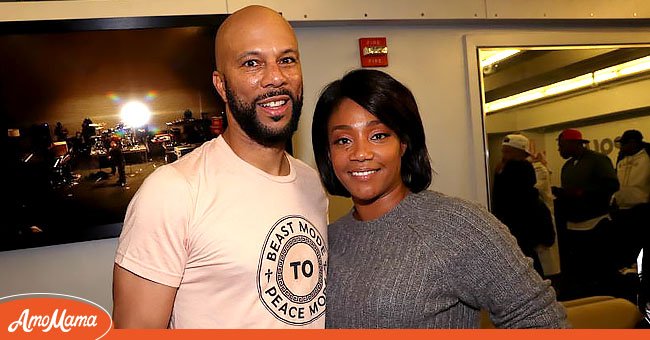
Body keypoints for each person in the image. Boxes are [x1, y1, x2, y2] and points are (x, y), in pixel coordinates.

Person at [112, 5, 328, 329]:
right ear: (222, 85)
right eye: (252, 63)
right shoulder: (173, 192)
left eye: (286, 60)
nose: (275, 78)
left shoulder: (312, 183)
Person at [312, 69, 568, 328]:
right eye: (343, 140)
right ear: (329, 153)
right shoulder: (326, 239)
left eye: (378, 136)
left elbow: (540, 318)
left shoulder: (455, 225)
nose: (360, 153)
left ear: (403, 142)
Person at [552, 128, 619, 297]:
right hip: (573, 226)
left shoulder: (598, 160)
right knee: (580, 273)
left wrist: (582, 193)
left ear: (574, 143)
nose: (559, 150)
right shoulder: (567, 166)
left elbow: (611, 185)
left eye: (561, 145)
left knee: (599, 270)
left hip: (595, 224)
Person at [492, 134, 554, 276]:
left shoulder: (521, 168)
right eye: (503, 151)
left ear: (519, 151)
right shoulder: (506, 168)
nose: (504, 155)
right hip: (515, 226)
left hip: (522, 226)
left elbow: (521, 200)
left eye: (508, 151)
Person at [610, 130, 650, 268]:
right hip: (621, 211)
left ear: (633, 143)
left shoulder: (647, 157)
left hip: (642, 211)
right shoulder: (621, 158)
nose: (621, 147)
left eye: (623, 144)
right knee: (625, 248)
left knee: (640, 248)